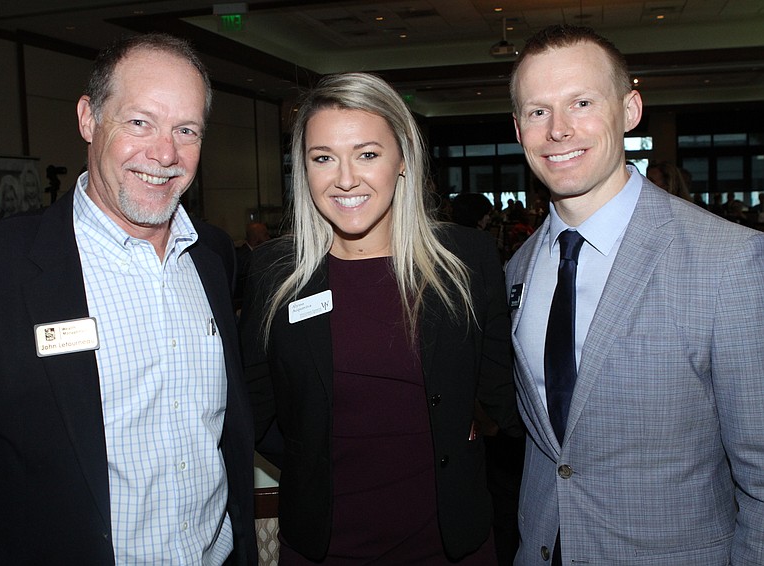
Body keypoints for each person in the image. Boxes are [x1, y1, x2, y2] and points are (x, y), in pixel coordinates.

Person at [0, 33, 256, 565]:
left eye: (186, 130)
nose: (165, 153)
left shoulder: (212, 257)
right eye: (140, 122)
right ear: (88, 119)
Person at [506, 24, 764, 565]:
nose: (558, 130)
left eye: (581, 103)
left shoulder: (728, 261)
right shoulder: (516, 269)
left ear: (630, 110)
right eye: (537, 111)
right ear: (518, 127)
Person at [239, 72, 521, 564]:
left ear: (403, 159)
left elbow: (506, 399)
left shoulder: (467, 259)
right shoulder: (273, 271)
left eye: (367, 154)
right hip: (324, 547)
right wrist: (312, 454)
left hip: (450, 545)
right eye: (323, 158)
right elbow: (255, 412)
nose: (346, 178)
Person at [233, 220, 270, 310]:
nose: (269, 238)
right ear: (255, 239)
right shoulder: (243, 258)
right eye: (265, 235)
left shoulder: (257, 254)